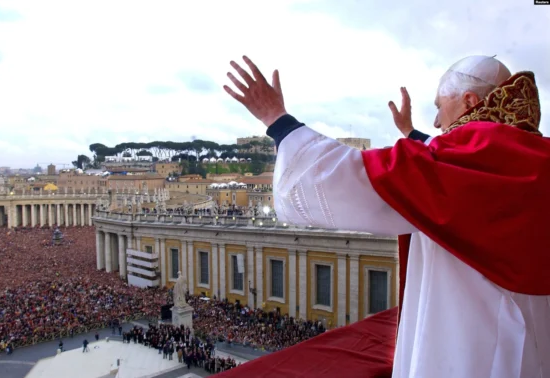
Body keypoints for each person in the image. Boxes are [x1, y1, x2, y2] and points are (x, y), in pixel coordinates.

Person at [224, 55, 550, 377]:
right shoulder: (533, 156)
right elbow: (450, 170)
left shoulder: (464, 163)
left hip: (474, 350)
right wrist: (411, 133)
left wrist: (277, 120)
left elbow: (350, 180)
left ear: (469, 101)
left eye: (439, 106)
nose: (436, 123)